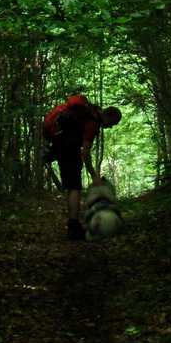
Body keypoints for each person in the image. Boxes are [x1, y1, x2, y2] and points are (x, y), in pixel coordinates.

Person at [42, 95, 122, 241]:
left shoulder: (90, 112)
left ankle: (73, 224)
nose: (111, 126)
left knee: (72, 186)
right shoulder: (92, 122)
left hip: (63, 148)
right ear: (108, 116)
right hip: (69, 150)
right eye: (113, 123)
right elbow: (85, 152)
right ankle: (73, 227)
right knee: (75, 187)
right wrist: (93, 175)